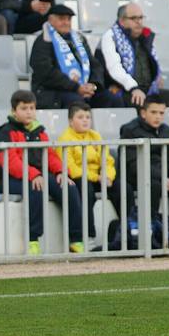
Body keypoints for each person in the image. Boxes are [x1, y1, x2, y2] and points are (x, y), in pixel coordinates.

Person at [0, 90, 85, 255]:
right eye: (24, 108)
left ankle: (76, 239)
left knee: (68, 186)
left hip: (37, 175)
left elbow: (49, 155)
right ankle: (32, 240)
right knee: (36, 188)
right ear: (14, 111)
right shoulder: (5, 132)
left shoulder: (40, 132)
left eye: (32, 108)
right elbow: (10, 162)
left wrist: (61, 172)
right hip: (9, 179)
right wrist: (33, 174)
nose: (29, 112)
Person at [118, 96, 169, 249]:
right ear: (143, 113)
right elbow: (134, 164)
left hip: (164, 173)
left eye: (161, 113)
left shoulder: (166, 130)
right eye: (154, 112)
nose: (158, 117)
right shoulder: (130, 130)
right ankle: (149, 231)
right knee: (153, 185)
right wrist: (162, 178)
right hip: (138, 174)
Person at [97, 1, 169, 108]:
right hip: (123, 90)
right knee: (139, 103)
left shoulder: (144, 38)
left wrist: (157, 76)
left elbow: (153, 63)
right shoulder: (110, 37)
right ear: (122, 21)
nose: (139, 22)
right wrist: (134, 88)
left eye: (141, 18)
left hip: (147, 90)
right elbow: (114, 68)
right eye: (134, 18)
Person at [57, 102, 122, 245]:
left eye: (88, 117)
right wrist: (96, 177)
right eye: (80, 117)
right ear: (70, 121)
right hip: (80, 178)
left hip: (99, 177)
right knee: (86, 190)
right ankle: (88, 236)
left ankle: (127, 229)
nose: (85, 120)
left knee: (124, 189)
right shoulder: (65, 139)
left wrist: (107, 176)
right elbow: (71, 168)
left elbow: (107, 160)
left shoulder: (95, 135)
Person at [29, 3, 102, 109]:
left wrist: (93, 85)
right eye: (62, 19)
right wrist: (76, 87)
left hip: (81, 88)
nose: (66, 23)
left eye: (69, 19)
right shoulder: (43, 41)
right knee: (76, 102)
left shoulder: (79, 40)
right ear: (50, 20)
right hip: (53, 91)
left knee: (111, 98)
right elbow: (46, 73)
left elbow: (94, 65)